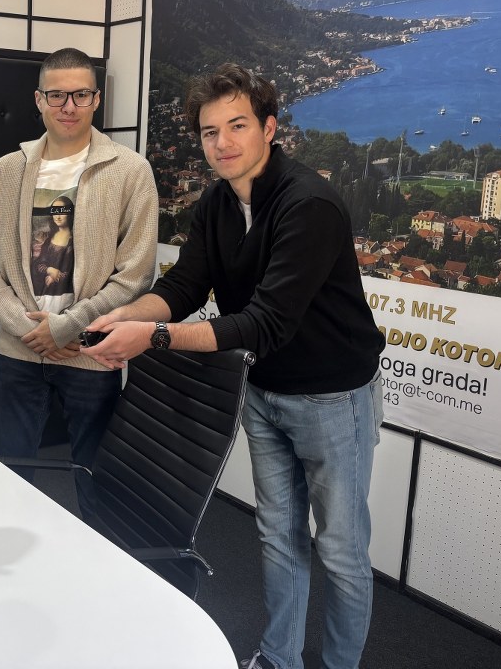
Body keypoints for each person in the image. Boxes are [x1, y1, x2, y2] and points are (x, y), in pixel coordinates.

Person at [84, 63, 385, 669]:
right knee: (278, 536)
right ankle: (279, 658)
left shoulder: (309, 204)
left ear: (269, 128)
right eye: (209, 131)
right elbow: (185, 285)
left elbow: (264, 323)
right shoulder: (216, 202)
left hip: (333, 399)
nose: (222, 142)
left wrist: (153, 337)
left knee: (342, 552)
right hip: (264, 389)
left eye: (238, 125)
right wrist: (125, 316)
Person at [0, 47, 158, 521]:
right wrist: (28, 329)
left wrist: (68, 326)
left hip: (90, 349)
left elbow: (136, 273)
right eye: (56, 95)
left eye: (81, 95)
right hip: (20, 349)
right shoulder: (5, 172)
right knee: (10, 473)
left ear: (97, 99)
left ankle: (99, 559)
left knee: (95, 477)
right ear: (39, 99)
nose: (68, 106)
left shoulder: (130, 171)